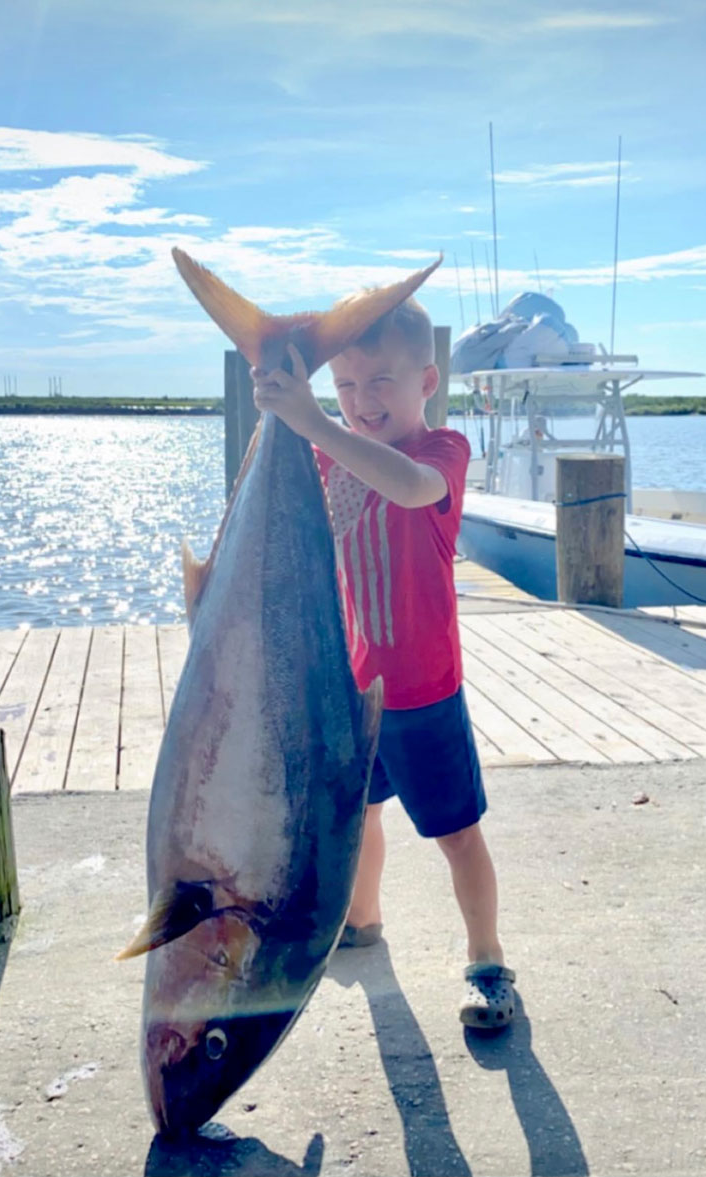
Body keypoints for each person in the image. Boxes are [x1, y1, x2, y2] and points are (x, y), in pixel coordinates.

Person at [252, 294, 516, 1029]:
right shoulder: (326, 450)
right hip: (355, 689)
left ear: (427, 382)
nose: (361, 401)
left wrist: (315, 420)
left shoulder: (443, 452)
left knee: (456, 834)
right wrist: (280, 392)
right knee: (357, 816)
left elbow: (407, 487)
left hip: (425, 695)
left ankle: (488, 961)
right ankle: (361, 919)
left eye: (380, 383)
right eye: (345, 385)